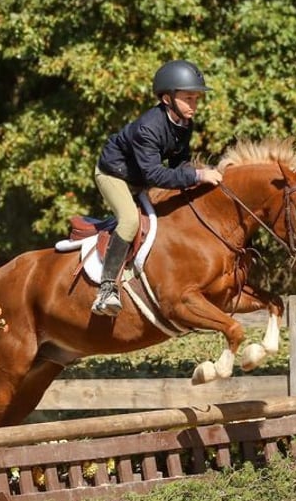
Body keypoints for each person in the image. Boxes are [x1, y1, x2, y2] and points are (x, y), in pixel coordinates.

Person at [91, 59, 223, 317]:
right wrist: (198, 174)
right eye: (188, 98)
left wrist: (195, 181)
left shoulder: (184, 123)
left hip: (141, 177)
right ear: (167, 99)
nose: (194, 105)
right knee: (129, 221)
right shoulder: (147, 128)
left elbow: (178, 162)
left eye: (196, 99)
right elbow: (154, 173)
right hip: (114, 175)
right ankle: (107, 289)